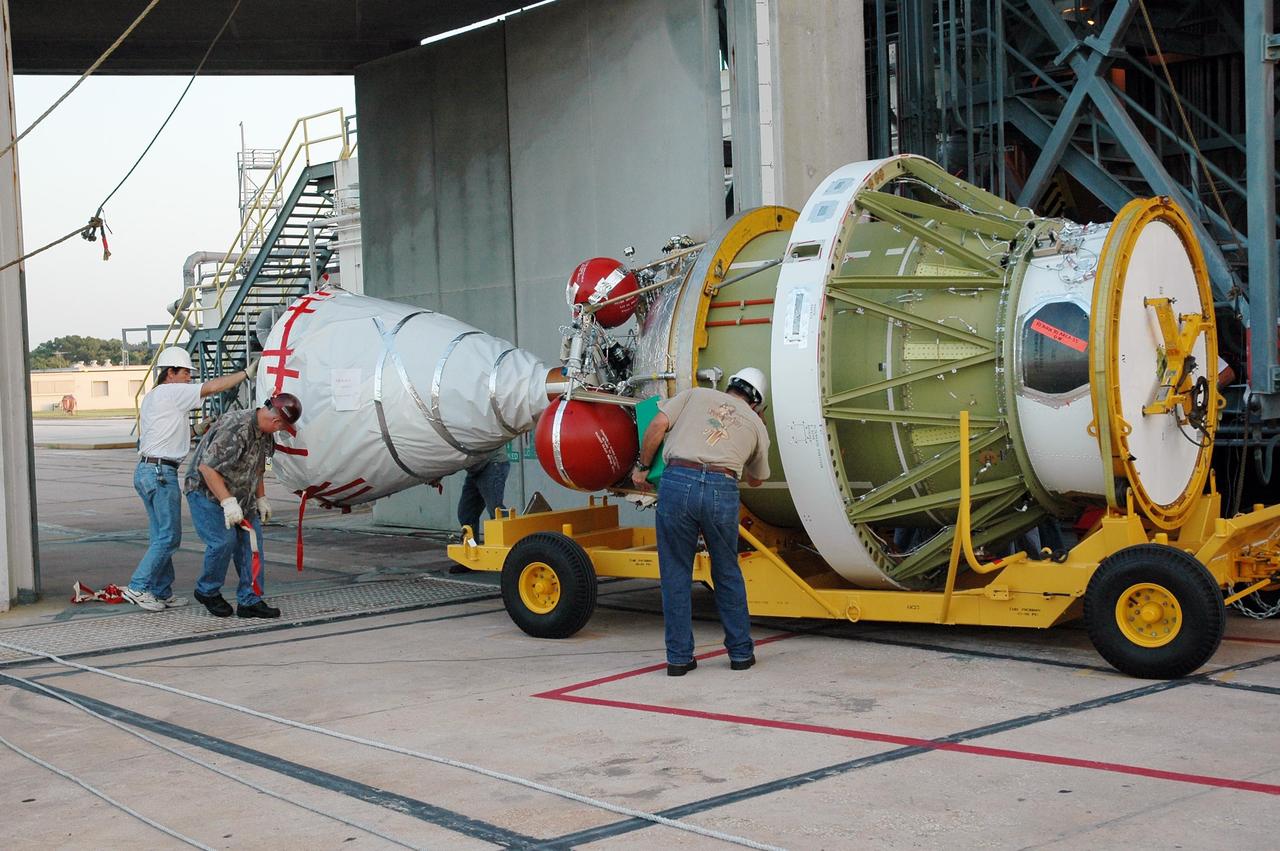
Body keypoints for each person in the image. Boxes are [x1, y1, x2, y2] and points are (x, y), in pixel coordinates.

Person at [631, 367, 770, 676]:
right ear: (758, 402)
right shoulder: (757, 426)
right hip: (723, 488)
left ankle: (679, 660)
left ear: (730, 384)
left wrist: (642, 467)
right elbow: (757, 480)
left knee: (676, 572)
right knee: (727, 572)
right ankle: (740, 655)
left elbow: (656, 426)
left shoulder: (695, 394)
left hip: (678, 480)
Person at [122, 347, 255, 612]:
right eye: (185, 373)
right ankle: (138, 587)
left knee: (160, 535)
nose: (188, 379)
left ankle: (160, 591)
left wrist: (198, 428)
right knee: (169, 537)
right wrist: (244, 374)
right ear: (169, 373)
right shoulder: (171, 391)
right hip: (161, 473)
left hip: (149, 471)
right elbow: (212, 387)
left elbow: (166, 433)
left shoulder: (154, 397)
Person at [185, 393, 301, 619]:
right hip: (206, 493)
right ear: (276, 421)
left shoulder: (266, 436)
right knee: (223, 543)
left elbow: (259, 469)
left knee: (252, 545)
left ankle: (250, 600)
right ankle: (207, 590)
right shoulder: (235, 427)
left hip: (243, 497)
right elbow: (207, 469)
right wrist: (227, 502)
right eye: (282, 428)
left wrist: (261, 498)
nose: (280, 432)